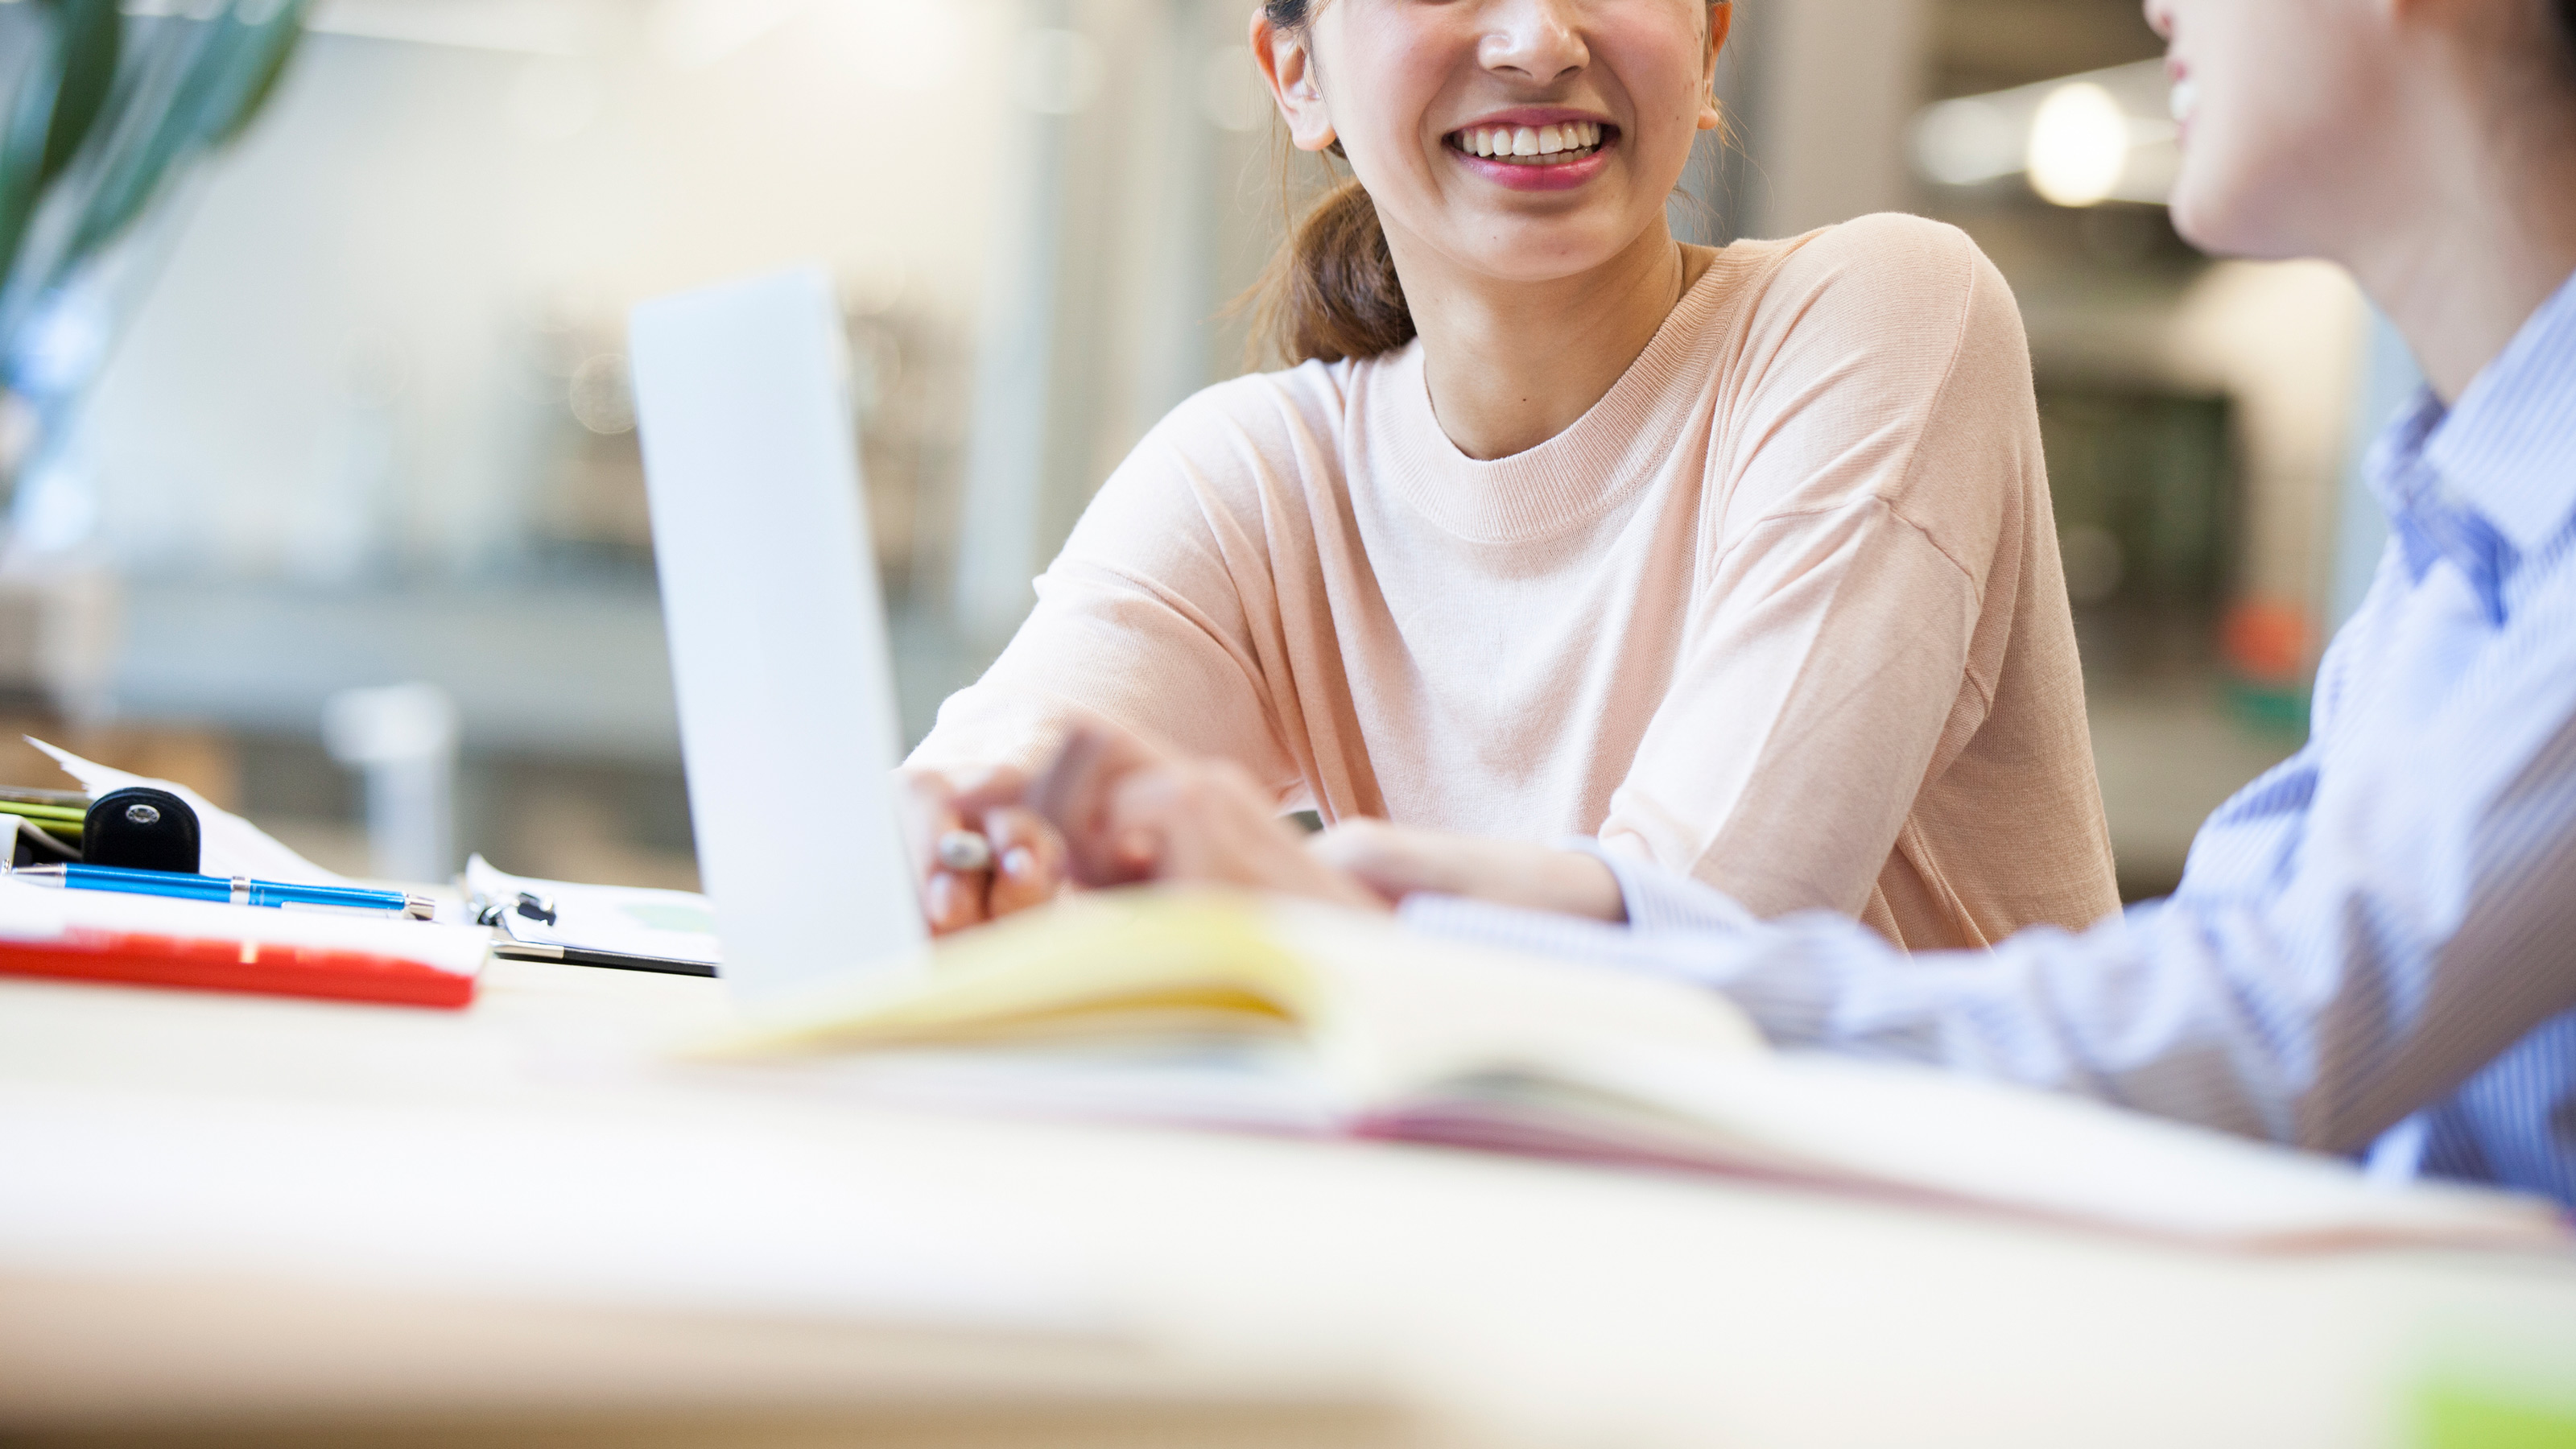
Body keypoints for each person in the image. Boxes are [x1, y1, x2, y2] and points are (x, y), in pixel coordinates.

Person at [1010, 0, 2576, 1209]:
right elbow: (2246, 1003)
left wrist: (1371, 928)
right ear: (1290, 69)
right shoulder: (2455, 556)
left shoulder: (1873, 311)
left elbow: (2255, 1035)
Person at [901, 0, 2122, 954]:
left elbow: (1700, 932)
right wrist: (953, 852)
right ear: (1296, 75)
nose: (1538, 42)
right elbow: (971, 806)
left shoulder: (1882, 315)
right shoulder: (1261, 479)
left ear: (1709, 50)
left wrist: (1291, 899)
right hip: (1567, 1236)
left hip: (1964, 1250)